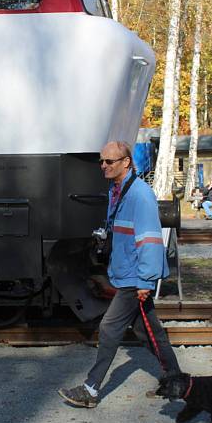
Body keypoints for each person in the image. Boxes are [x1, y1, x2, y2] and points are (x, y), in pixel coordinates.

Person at [58, 141, 181, 408]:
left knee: (109, 327)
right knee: (149, 332)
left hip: (135, 278)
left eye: (109, 161)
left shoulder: (139, 195)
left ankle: (90, 390)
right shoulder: (119, 191)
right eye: (101, 161)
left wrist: (146, 281)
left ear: (126, 162)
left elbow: (149, 239)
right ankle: (177, 383)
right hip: (127, 273)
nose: (103, 166)